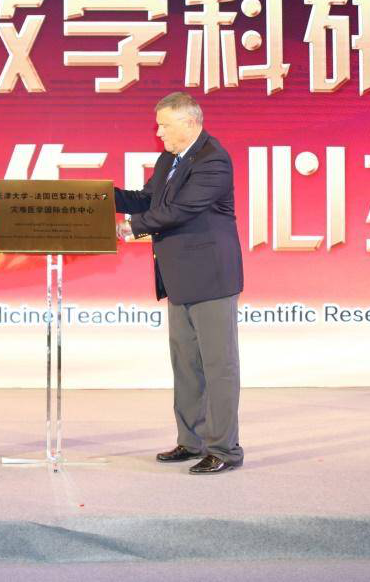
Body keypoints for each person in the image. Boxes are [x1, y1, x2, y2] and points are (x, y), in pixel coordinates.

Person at [114, 92, 244, 474]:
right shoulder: (169, 159)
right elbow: (147, 199)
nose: (159, 132)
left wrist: (131, 228)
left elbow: (181, 210)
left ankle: (224, 449)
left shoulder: (213, 160)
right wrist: (99, 197)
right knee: (186, 366)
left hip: (211, 279)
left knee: (218, 367)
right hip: (180, 279)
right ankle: (191, 442)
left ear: (189, 123)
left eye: (164, 125)